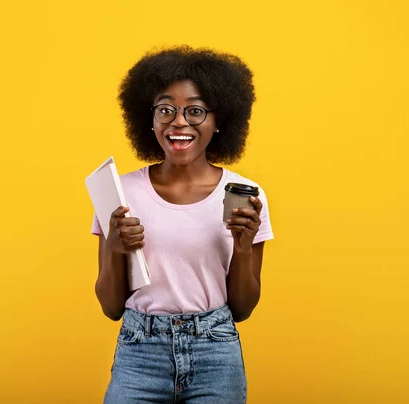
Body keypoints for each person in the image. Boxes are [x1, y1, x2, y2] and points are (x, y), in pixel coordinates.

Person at [91, 46, 274, 403]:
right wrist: (114, 246)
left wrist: (241, 246)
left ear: (217, 119)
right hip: (139, 352)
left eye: (195, 111)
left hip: (215, 352)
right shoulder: (121, 193)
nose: (179, 122)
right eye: (165, 110)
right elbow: (110, 307)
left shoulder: (247, 197)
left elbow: (243, 309)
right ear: (149, 119)